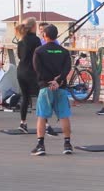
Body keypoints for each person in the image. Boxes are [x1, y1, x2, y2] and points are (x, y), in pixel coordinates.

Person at [31, 25, 73, 156]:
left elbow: (38, 70)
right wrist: (58, 81)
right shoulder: (64, 52)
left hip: (45, 87)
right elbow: (67, 69)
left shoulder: (39, 51)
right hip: (60, 87)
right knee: (64, 115)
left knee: (42, 116)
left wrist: (48, 81)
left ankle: (40, 145)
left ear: (45, 35)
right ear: (56, 36)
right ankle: (67, 144)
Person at [15, 17, 42, 134]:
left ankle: (23, 123)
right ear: (33, 27)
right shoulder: (36, 40)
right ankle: (45, 124)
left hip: (21, 71)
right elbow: (39, 56)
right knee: (41, 97)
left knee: (25, 97)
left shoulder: (21, 40)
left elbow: (20, 56)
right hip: (31, 72)